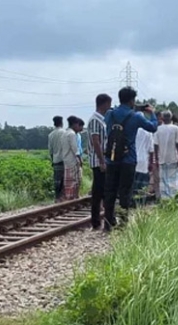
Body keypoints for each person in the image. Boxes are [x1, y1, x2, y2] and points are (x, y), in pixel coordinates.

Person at [103, 86, 158, 231]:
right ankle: (123, 221)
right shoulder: (136, 116)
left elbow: (109, 120)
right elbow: (153, 127)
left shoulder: (110, 114)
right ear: (132, 100)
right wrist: (152, 114)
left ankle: (108, 222)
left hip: (112, 158)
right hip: (128, 159)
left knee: (110, 190)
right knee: (125, 191)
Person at [87, 94, 111, 230]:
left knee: (101, 189)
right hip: (98, 160)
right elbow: (96, 141)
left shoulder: (101, 120)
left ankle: (99, 220)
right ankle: (96, 221)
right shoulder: (95, 120)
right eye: (108, 104)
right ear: (104, 104)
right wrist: (102, 161)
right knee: (99, 190)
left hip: (102, 159)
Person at [153, 110, 178, 199]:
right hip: (173, 158)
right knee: (173, 180)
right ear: (171, 117)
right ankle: (173, 198)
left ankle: (164, 199)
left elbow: (155, 145)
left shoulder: (158, 129)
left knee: (163, 180)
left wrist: (156, 158)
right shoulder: (176, 129)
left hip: (162, 158)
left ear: (162, 118)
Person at [133, 110, 154, 206]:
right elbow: (151, 149)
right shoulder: (148, 131)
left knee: (132, 185)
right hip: (144, 161)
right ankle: (140, 203)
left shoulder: (132, 129)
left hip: (132, 160)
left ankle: (131, 202)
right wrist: (151, 162)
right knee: (142, 186)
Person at [62, 116, 84, 201]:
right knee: (74, 180)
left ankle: (69, 197)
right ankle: (73, 197)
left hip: (66, 159)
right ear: (75, 124)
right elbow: (75, 149)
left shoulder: (65, 133)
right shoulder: (72, 134)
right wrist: (80, 159)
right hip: (72, 160)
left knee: (68, 180)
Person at [48, 116, 65, 203]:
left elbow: (50, 150)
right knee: (64, 179)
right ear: (61, 123)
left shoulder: (51, 135)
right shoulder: (64, 133)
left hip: (55, 160)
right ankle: (62, 197)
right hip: (65, 159)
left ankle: (57, 197)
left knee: (57, 180)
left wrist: (52, 160)